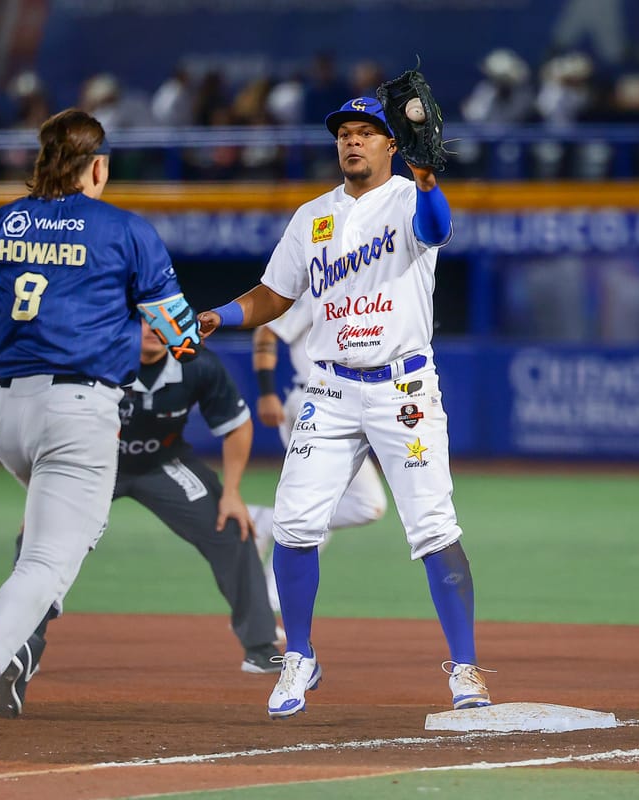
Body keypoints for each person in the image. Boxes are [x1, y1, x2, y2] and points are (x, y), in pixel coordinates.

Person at [0, 108, 200, 769]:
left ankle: (22, 643)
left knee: (64, 535)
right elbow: (180, 336)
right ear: (98, 167)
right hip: (78, 411)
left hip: (7, 416)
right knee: (48, 560)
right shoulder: (125, 229)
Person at [196, 95, 491, 719]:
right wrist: (219, 315)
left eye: (366, 132)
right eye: (344, 134)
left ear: (391, 145)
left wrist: (430, 178)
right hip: (327, 392)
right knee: (297, 524)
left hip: (402, 389)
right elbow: (274, 296)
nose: (352, 141)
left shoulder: (412, 199)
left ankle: (465, 669)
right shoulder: (312, 218)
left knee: (435, 527)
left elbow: (437, 229)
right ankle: (298, 658)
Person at [0, 319, 283, 722]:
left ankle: (260, 647)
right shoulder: (95, 355)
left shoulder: (197, 364)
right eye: (145, 319)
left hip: (163, 462)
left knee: (230, 526)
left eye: (163, 321)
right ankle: (22, 643)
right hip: (90, 464)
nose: (153, 329)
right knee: (40, 539)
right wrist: (39, 495)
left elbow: (237, 426)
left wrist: (231, 493)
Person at [248, 292, 389, 612]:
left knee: (348, 508)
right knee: (359, 505)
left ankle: (264, 528)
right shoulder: (323, 290)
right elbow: (267, 331)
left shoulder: (374, 293)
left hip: (347, 404)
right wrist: (267, 391)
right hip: (314, 403)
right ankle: (268, 594)